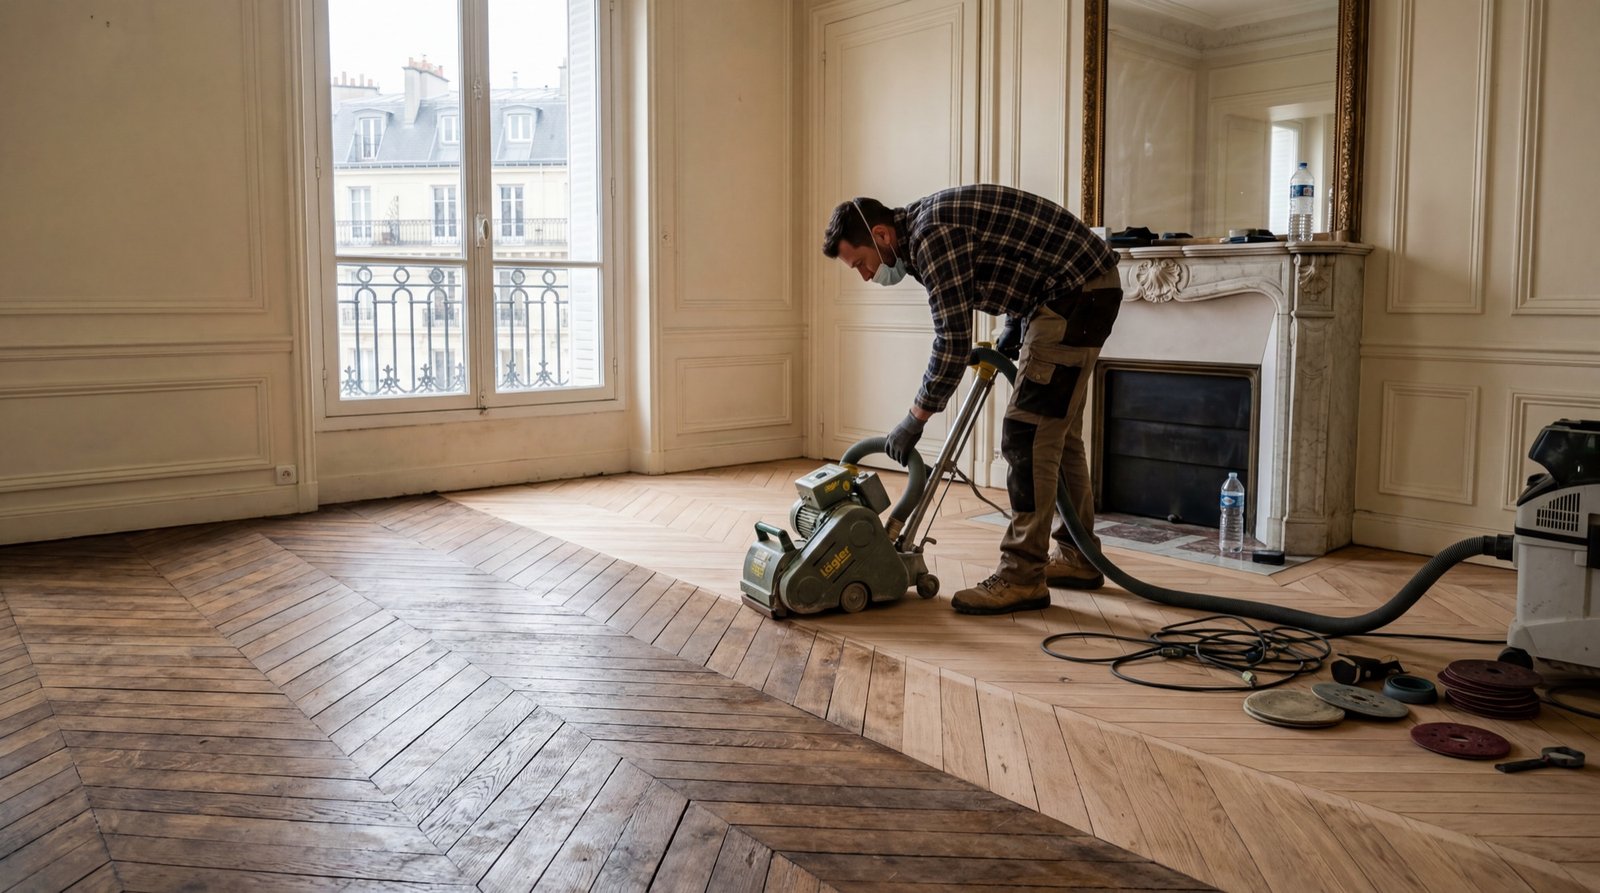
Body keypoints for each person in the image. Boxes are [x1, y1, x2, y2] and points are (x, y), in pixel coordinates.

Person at [822, 184, 1123, 615]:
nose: (867, 275)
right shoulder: (925, 230)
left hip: (1076, 295)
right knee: (1056, 433)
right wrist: (1017, 321)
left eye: (862, 264)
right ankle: (1077, 557)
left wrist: (916, 418)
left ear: (884, 236)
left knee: (1026, 435)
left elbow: (952, 341)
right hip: (1076, 289)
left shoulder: (931, 236)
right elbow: (1023, 253)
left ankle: (1022, 578)